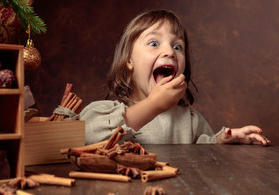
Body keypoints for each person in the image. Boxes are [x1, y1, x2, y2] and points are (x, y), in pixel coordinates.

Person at [79, 9, 271, 146]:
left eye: (177, 46)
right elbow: (88, 137)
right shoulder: (105, 112)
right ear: (129, 60)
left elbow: (205, 154)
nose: (169, 51)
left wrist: (222, 140)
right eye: (154, 43)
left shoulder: (190, 120)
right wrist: (153, 105)